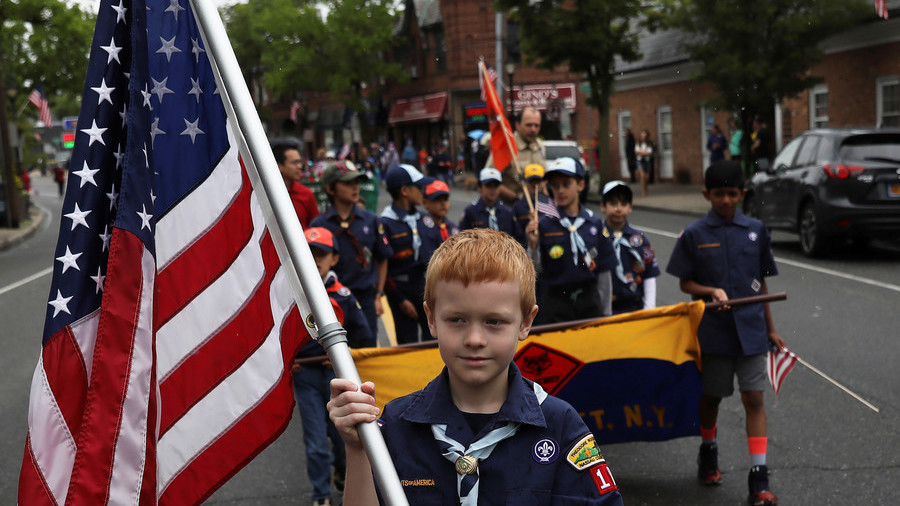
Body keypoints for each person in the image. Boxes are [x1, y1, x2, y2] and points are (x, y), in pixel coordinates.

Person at [327, 228, 625, 506]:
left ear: (526, 322)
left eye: (494, 322)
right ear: (431, 319)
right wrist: (358, 451)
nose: (474, 339)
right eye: (457, 320)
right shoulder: (396, 423)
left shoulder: (560, 426)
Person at [665, 161, 785, 506]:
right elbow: (685, 281)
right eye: (719, 194)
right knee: (712, 398)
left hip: (751, 332)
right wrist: (710, 291)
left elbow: (760, 283)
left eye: (733, 194)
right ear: (706, 195)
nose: (726, 200)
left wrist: (772, 330)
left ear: (742, 194)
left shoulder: (756, 230)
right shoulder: (694, 234)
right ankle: (709, 450)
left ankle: (759, 479)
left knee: (755, 399)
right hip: (714, 332)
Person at [294, 227, 373, 506]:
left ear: (334, 259)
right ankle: (321, 496)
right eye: (309, 252)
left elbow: (365, 339)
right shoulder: (291, 295)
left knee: (342, 438)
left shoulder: (343, 295)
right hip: (305, 377)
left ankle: (343, 471)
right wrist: (289, 361)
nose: (315, 258)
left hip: (338, 379)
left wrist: (343, 356)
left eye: (321, 253)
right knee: (315, 441)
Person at [525, 157, 617, 323]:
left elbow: (604, 273)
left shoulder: (594, 224)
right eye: (555, 185)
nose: (560, 190)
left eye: (566, 184)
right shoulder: (545, 225)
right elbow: (536, 271)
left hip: (589, 302)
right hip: (556, 303)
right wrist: (533, 245)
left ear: (580, 185)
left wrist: (606, 314)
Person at [310, 161, 393, 338]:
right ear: (331, 189)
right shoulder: (319, 226)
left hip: (365, 298)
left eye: (356, 183)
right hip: (331, 299)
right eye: (347, 183)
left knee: (367, 344)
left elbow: (382, 258)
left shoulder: (371, 220)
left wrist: (378, 294)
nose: (355, 188)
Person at [380, 164, 434, 343]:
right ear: (404, 190)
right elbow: (383, 266)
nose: (422, 191)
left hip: (426, 288)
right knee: (407, 342)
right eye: (418, 187)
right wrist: (400, 300)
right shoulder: (386, 223)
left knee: (434, 340)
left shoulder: (425, 220)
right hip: (400, 290)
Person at [600, 181, 659, 314]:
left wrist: (649, 309)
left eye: (623, 203)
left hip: (634, 308)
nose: (618, 208)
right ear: (603, 206)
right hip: (604, 309)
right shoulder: (596, 237)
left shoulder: (639, 239)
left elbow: (649, 274)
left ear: (630, 207)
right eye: (613, 203)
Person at [486, 106, 546, 205]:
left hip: (536, 208)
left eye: (536, 126)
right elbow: (489, 179)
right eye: (529, 125)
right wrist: (516, 197)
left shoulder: (540, 147)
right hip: (511, 208)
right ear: (517, 125)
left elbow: (542, 181)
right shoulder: (506, 147)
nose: (533, 129)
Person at [460, 167, 524, 247]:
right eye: (488, 186)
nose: (492, 190)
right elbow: (461, 240)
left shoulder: (507, 212)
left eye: (496, 186)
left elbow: (519, 239)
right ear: (480, 187)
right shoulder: (470, 211)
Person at [272, 141, 319, 228]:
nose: (300, 166)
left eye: (299, 162)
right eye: (294, 162)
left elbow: (315, 228)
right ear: (279, 166)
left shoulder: (306, 194)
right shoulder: (266, 194)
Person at [419, 179, 459, 263]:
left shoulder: (452, 227)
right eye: (437, 199)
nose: (443, 203)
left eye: (445, 199)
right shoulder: (420, 225)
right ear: (425, 202)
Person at [512, 163, 557, 233]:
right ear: (525, 183)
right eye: (531, 181)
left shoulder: (551, 204)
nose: (535, 184)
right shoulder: (518, 206)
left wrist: (540, 220)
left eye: (538, 181)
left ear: (543, 183)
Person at [634, 129, 653, 197]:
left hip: (647, 161)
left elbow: (649, 152)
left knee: (647, 178)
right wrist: (644, 152)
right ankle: (643, 191)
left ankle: (646, 187)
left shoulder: (649, 143)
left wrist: (642, 152)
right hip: (640, 161)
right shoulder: (638, 143)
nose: (643, 135)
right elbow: (636, 152)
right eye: (642, 134)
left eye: (644, 134)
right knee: (642, 176)